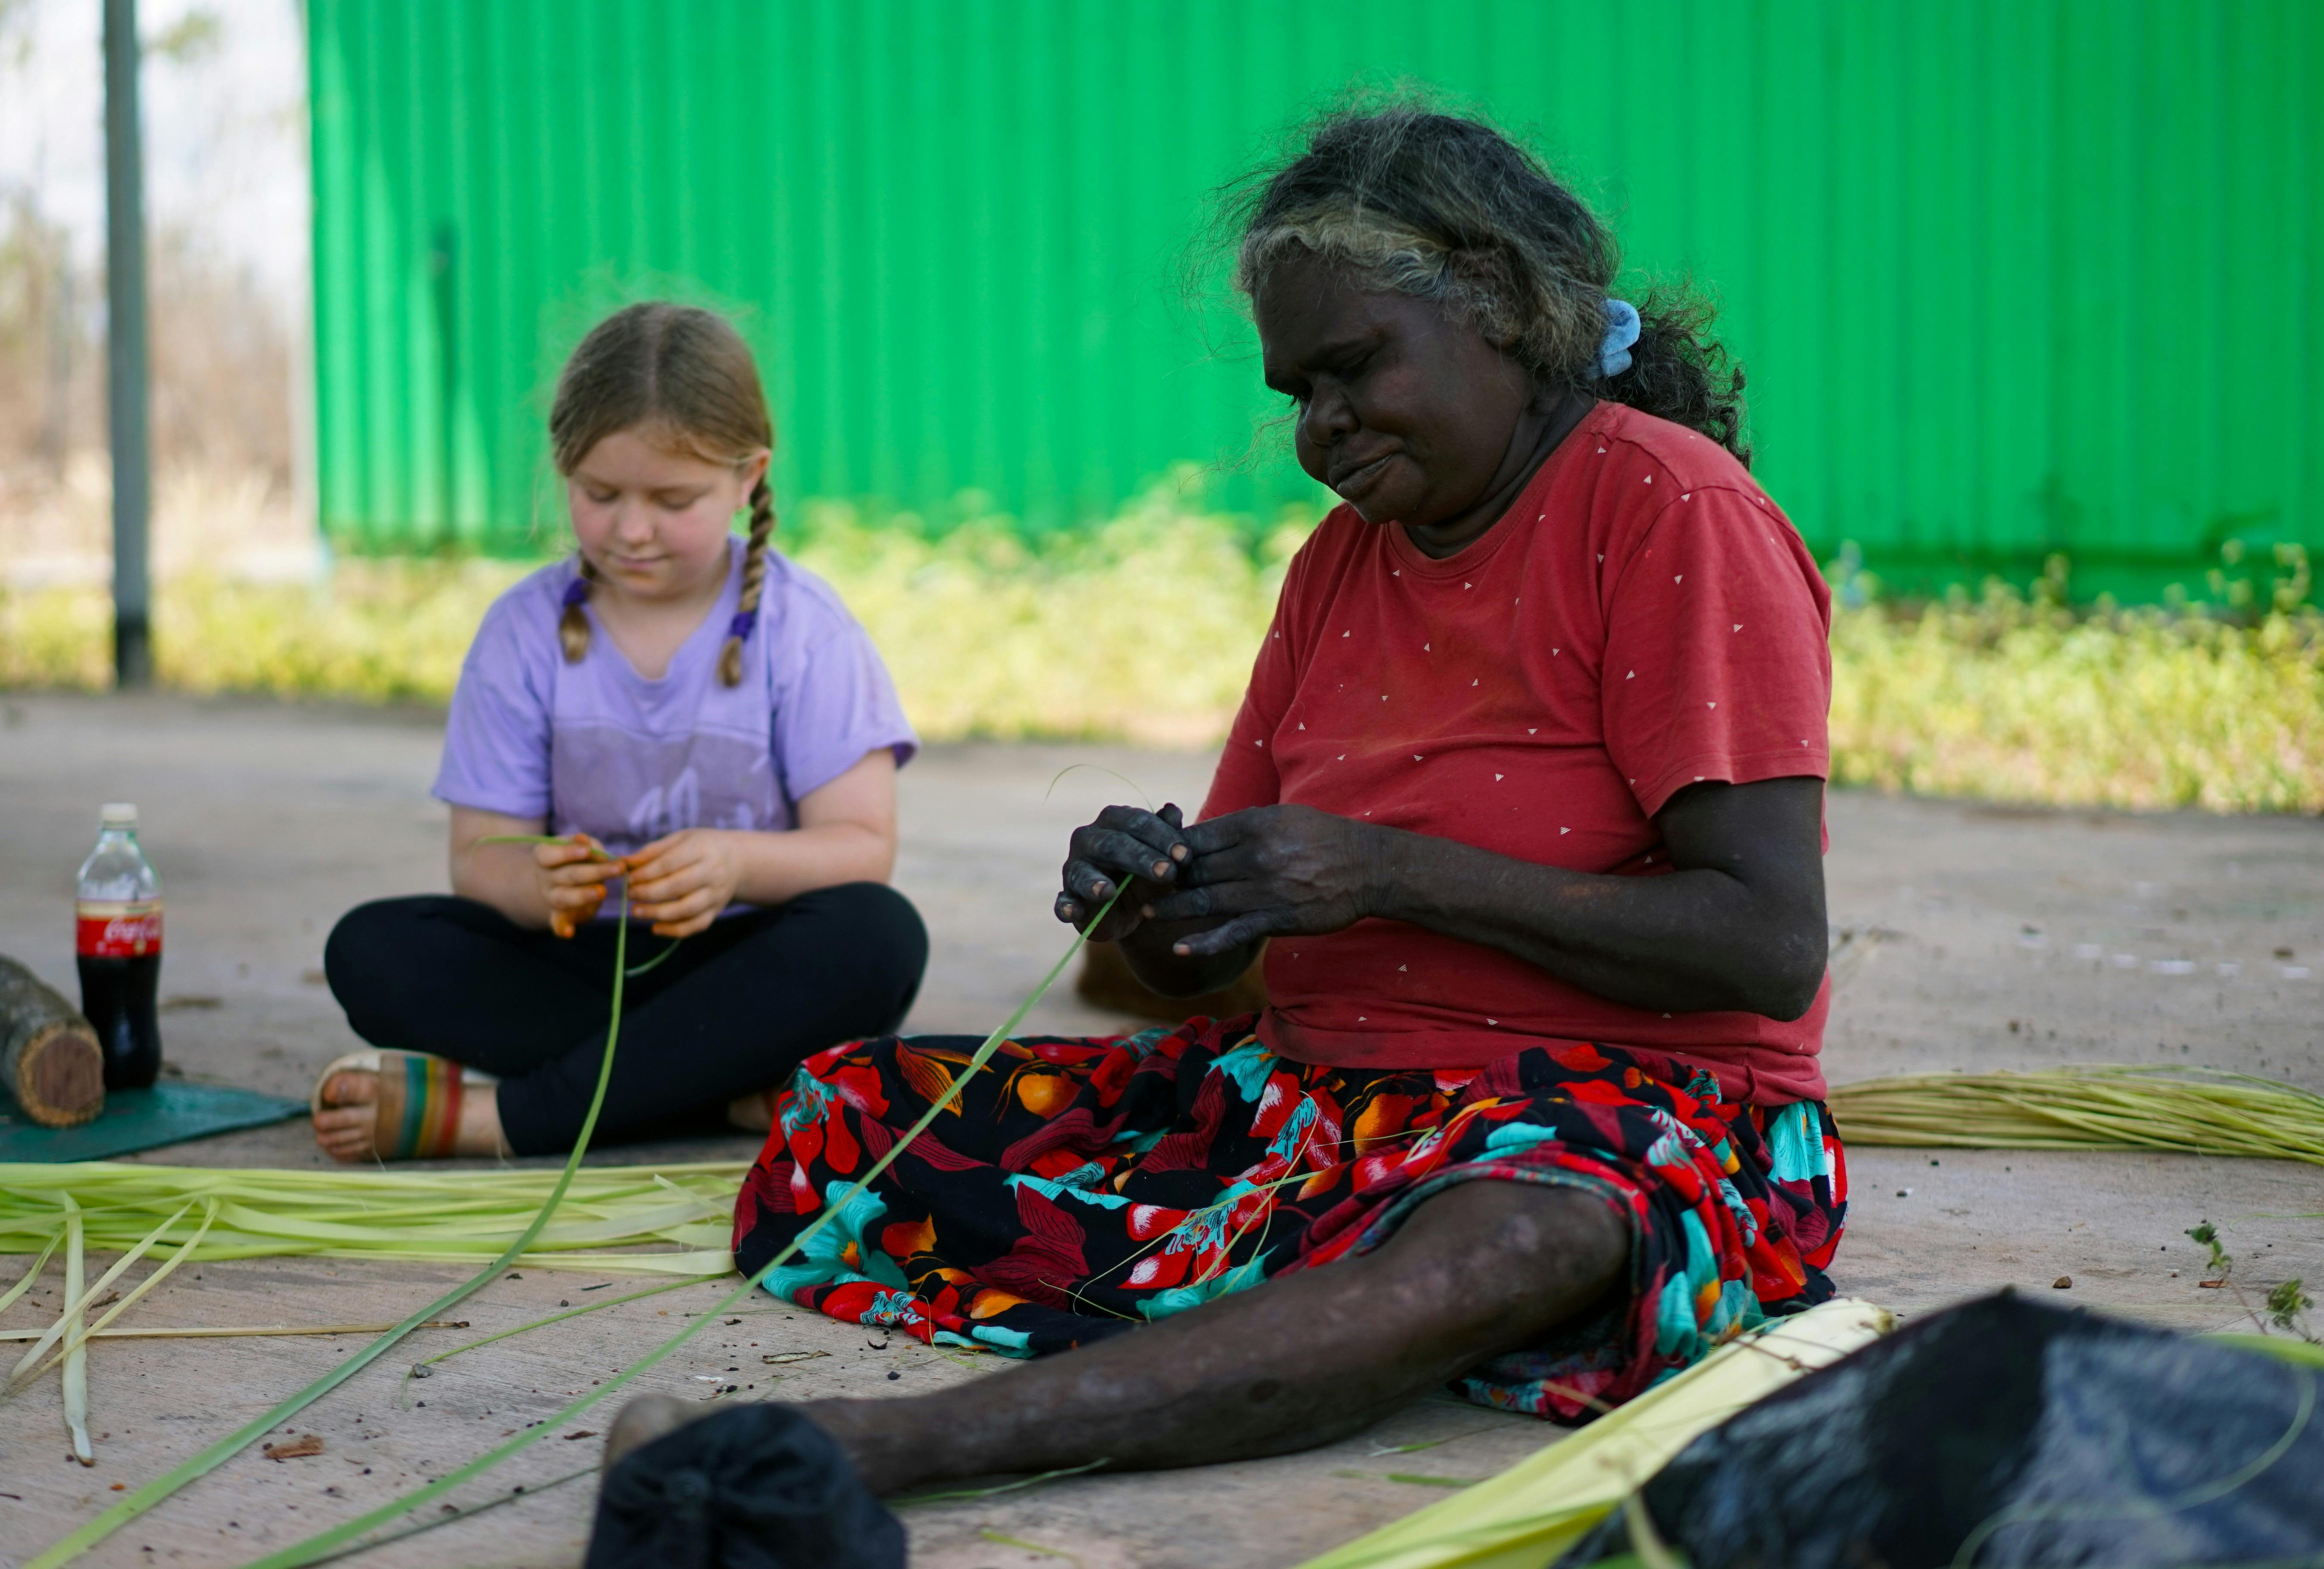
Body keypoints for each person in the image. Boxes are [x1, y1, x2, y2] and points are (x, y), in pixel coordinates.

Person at [605, 106, 1847, 1486]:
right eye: (1296, 394)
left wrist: (1389, 874)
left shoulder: (1672, 510)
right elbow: (1206, 970)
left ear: (1494, 297)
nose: (1322, 426)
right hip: (1326, 1109)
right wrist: (1146, 909)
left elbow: (1768, 944)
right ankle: (1341, 1301)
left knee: (1516, 1236)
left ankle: (868, 1450)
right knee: (850, 1116)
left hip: (1626, 1119)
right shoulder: (1338, 566)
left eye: (1354, 368)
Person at [312, 303, 927, 1162]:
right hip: (585, 969)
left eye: (673, 499)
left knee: (878, 934)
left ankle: (498, 1119)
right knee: (372, 949)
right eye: (600, 494)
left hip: (744, 969)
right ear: (566, 469)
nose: (631, 530)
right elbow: (480, 861)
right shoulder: (521, 633)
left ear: (749, 476)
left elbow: (863, 846)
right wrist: (539, 883)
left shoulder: (807, 630)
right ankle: (721, 1090)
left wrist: (738, 862)